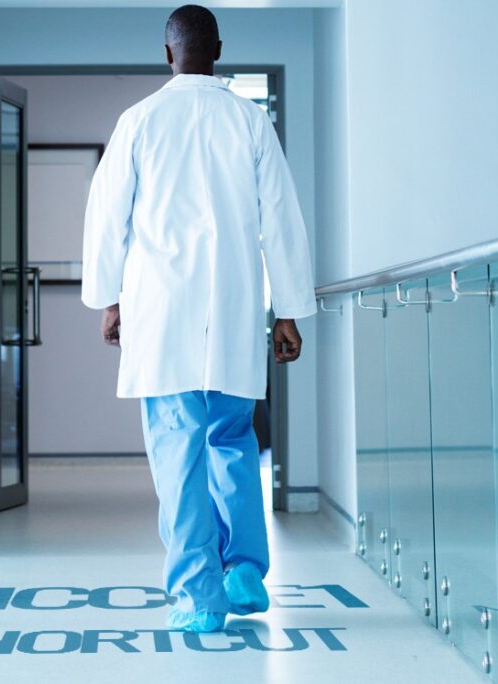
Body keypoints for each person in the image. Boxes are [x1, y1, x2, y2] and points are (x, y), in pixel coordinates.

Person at [81, 4, 315, 633]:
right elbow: (282, 222)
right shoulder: (250, 121)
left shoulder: (139, 122)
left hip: (162, 317)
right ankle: (243, 573)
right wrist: (288, 311)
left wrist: (110, 299)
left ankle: (197, 596)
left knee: (177, 454)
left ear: (167, 53)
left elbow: (107, 220)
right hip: (234, 313)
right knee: (233, 443)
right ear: (220, 48)